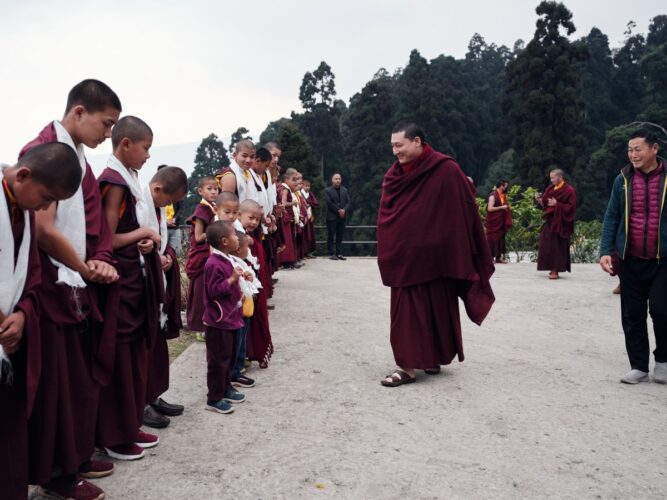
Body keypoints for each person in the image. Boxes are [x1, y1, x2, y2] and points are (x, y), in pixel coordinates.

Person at [20, 79, 121, 500]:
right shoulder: (43, 151)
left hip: (75, 280)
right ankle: (56, 474)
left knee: (77, 380)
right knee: (55, 385)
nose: (108, 134)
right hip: (50, 283)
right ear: (79, 112)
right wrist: (83, 266)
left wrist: (101, 259)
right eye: (106, 123)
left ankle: (77, 456)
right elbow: (43, 230)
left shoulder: (80, 157)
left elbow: (92, 222)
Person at [377, 122, 495, 387]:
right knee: (405, 312)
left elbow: (464, 207)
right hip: (406, 257)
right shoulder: (394, 176)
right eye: (393, 146)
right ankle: (406, 367)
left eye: (400, 145)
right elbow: (388, 216)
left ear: (417, 141)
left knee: (437, 308)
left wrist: (456, 246)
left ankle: (432, 357)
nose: (395, 151)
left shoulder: (445, 169)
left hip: (438, 257)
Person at [1, 143, 82, 500]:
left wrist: (22, 315)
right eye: (47, 197)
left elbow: (33, 277)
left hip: (8, 345)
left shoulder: (25, 212)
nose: (46, 208)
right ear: (23, 175)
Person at [97, 116, 161, 458]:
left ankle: (129, 423)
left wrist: (144, 242)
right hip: (119, 283)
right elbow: (107, 238)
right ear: (126, 145)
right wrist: (143, 235)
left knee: (135, 355)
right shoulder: (114, 182)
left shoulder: (130, 177)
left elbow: (127, 234)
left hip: (134, 276)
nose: (148, 156)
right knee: (119, 357)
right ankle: (114, 435)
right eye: (146, 148)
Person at [600, 128, 667, 385]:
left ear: (654, 149)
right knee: (632, 313)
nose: (633, 154)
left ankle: (662, 360)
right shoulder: (623, 180)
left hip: (663, 260)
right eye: (630, 150)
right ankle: (638, 365)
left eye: (638, 149)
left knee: (662, 310)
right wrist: (606, 250)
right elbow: (612, 216)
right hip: (630, 258)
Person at [144, 166, 189, 428]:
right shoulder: (138, 202)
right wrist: (152, 253)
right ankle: (142, 403)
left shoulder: (158, 207)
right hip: (142, 285)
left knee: (158, 348)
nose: (169, 206)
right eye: (169, 200)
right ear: (158, 189)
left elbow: (163, 244)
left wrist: (168, 259)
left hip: (157, 280)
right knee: (144, 350)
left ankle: (155, 395)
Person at [202, 221, 247, 414]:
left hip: (231, 318)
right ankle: (214, 398)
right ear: (224, 241)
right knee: (218, 360)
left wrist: (243, 278)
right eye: (234, 235)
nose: (238, 238)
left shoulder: (227, 258)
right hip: (218, 321)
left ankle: (226, 387)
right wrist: (232, 279)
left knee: (229, 358)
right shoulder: (213, 263)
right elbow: (214, 291)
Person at [238, 200, 273, 370]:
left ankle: (245, 355)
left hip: (249, 283)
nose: (254, 222)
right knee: (241, 322)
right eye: (250, 217)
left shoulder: (248, 235)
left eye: (257, 220)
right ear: (239, 215)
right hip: (238, 285)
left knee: (248, 321)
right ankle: (239, 360)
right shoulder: (235, 233)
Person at [185, 177, 219, 335]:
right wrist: (216, 231)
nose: (213, 192)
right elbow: (198, 237)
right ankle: (199, 327)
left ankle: (208, 324)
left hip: (210, 253)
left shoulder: (212, 207)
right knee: (200, 292)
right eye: (209, 189)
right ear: (200, 191)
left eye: (216, 189)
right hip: (202, 256)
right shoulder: (201, 210)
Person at [535, 168, 576, 280]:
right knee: (545, 243)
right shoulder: (551, 188)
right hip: (551, 220)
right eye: (551, 178)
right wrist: (539, 200)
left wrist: (557, 204)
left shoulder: (569, 190)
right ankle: (549, 267)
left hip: (561, 222)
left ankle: (555, 270)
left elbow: (571, 208)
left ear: (560, 177)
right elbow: (546, 203)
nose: (551, 180)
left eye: (553, 177)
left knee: (557, 246)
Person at [277, 168, 300, 269]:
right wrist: (293, 203)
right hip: (285, 217)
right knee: (287, 240)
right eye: (293, 180)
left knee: (289, 239)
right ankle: (286, 261)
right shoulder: (285, 189)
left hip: (286, 217)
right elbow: (283, 203)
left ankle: (289, 261)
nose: (296, 182)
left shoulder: (283, 187)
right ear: (286, 180)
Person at [485, 180, 512, 264]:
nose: (506, 187)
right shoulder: (492, 196)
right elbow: (490, 208)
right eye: (505, 186)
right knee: (492, 239)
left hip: (501, 221)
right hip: (493, 222)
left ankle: (498, 258)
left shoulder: (503, 196)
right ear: (501, 186)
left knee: (500, 239)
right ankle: (490, 258)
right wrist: (502, 207)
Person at [325, 172, 349, 260]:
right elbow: (329, 203)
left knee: (340, 235)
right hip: (332, 217)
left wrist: (344, 210)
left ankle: (339, 253)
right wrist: (338, 210)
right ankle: (330, 253)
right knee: (331, 235)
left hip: (342, 217)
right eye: (336, 179)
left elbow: (348, 202)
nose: (338, 180)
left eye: (339, 179)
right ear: (332, 180)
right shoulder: (328, 190)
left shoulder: (345, 190)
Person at [301, 179, 319, 258]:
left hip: (309, 217)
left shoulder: (310, 194)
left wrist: (309, 204)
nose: (307, 188)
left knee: (310, 235)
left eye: (309, 186)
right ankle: (303, 252)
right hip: (303, 217)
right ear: (302, 185)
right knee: (303, 235)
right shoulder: (300, 193)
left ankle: (309, 252)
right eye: (306, 186)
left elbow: (315, 202)